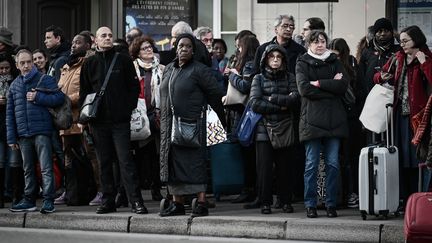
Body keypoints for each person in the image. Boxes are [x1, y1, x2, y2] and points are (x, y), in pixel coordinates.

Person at [79, 26, 147, 215]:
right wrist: (85, 118)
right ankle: (108, 201)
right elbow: (85, 92)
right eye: (103, 36)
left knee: (126, 161)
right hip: (98, 122)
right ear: (96, 41)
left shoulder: (123, 60)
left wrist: (126, 110)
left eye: (110, 35)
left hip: (120, 121)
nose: (108, 38)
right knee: (104, 162)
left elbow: (134, 88)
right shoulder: (89, 63)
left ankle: (136, 201)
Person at [159, 33, 225, 217]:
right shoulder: (169, 69)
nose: (184, 49)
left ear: (193, 50)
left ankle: (201, 202)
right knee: (173, 164)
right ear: (176, 48)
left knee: (194, 163)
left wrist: (217, 119)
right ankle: (177, 203)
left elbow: (215, 94)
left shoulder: (200, 70)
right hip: (169, 125)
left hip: (192, 125)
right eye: (181, 46)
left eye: (188, 46)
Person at [373, 25, 432, 210]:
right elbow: (377, 76)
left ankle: (418, 200)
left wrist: (425, 63)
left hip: (420, 117)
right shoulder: (398, 58)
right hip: (399, 114)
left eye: (406, 41)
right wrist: (381, 77)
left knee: (418, 159)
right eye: (402, 41)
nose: (403, 44)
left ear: (417, 39)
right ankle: (403, 199)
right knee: (401, 158)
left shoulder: (426, 57)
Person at [296, 30, 349, 218]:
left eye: (322, 41)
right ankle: (310, 203)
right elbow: (304, 89)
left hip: (335, 120)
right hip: (312, 120)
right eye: (315, 42)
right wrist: (330, 86)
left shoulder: (335, 61)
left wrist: (318, 83)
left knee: (333, 164)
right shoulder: (302, 62)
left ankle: (330, 203)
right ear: (309, 44)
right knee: (311, 164)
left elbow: (343, 86)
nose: (320, 45)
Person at [7, 49, 65, 213]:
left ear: (33, 62)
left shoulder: (44, 79)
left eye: (28, 62)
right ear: (17, 65)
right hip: (23, 134)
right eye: (22, 63)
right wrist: (11, 138)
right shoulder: (14, 85)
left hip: (42, 131)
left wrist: (38, 98)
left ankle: (48, 200)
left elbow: (59, 98)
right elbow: (10, 114)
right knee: (28, 169)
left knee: (46, 168)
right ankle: (29, 200)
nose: (26, 66)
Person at [249, 44, 300, 214]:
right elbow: (255, 103)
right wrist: (281, 106)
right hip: (264, 130)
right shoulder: (258, 79)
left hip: (286, 128)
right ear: (266, 59)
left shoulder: (290, 77)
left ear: (284, 60)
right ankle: (265, 202)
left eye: (279, 57)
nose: (276, 60)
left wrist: (271, 98)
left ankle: (285, 201)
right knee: (264, 169)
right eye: (272, 57)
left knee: (285, 168)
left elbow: (295, 99)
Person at [53, 33, 96, 206]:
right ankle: (71, 192)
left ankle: (97, 191)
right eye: (73, 42)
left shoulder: (89, 63)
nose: (73, 45)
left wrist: (67, 99)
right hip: (66, 120)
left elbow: (88, 89)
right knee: (68, 158)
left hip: (81, 118)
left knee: (90, 156)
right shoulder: (66, 65)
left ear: (87, 46)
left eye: (78, 42)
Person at [223, 35, 260, 205]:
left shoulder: (250, 64)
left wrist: (232, 75)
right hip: (244, 111)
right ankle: (251, 188)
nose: (237, 50)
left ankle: (249, 189)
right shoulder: (253, 62)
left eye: (239, 47)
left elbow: (246, 86)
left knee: (248, 154)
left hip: (244, 112)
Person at [128, 35, 164, 203]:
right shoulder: (132, 69)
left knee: (157, 155)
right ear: (137, 52)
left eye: (150, 47)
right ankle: (138, 190)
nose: (149, 50)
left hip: (157, 115)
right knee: (140, 155)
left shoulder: (161, 69)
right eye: (144, 48)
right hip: (138, 116)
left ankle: (156, 188)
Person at [329, 38, 363, 208]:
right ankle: (346, 193)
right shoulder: (348, 65)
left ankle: (349, 193)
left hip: (346, 117)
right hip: (346, 117)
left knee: (345, 158)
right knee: (344, 158)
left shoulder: (347, 66)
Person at [0, 53, 22, 208]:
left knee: (14, 162)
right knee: (1, 162)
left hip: (13, 127)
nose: (4, 71)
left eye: (7, 68)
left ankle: (14, 195)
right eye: (1, 68)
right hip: (1, 127)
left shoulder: (16, 82)